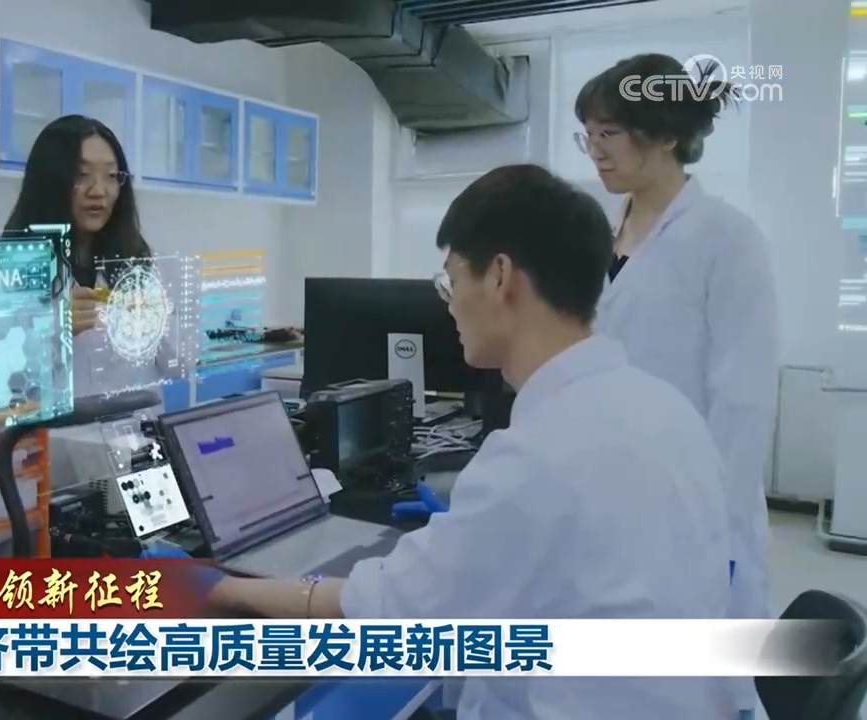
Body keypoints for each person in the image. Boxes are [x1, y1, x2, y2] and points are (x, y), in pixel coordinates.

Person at [178, 164, 735, 719]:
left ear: (500, 277)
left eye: (452, 281)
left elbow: (385, 610)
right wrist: (476, 533)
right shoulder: (665, 408)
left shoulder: (536, 455)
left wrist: (224, 589)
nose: (449, 304)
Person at [574, 54, 779, 715]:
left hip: (695, 507)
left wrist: (709, 522)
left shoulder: (727, 238)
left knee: (699, 686)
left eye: (608, 133)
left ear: (664, 135)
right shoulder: (602, 236)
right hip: (612, 490)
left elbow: (743, 402)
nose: (595, 150)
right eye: (588, 134)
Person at [3, 115, 170, 399]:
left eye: (111, 176)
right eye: (81, 175)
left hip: (137, 426)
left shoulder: (140, 263)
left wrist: (158, 319)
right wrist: (56, 333)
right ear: (48, 181)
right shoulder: (9, 269)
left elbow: (181, 365)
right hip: (61, 428)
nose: (98, 191)